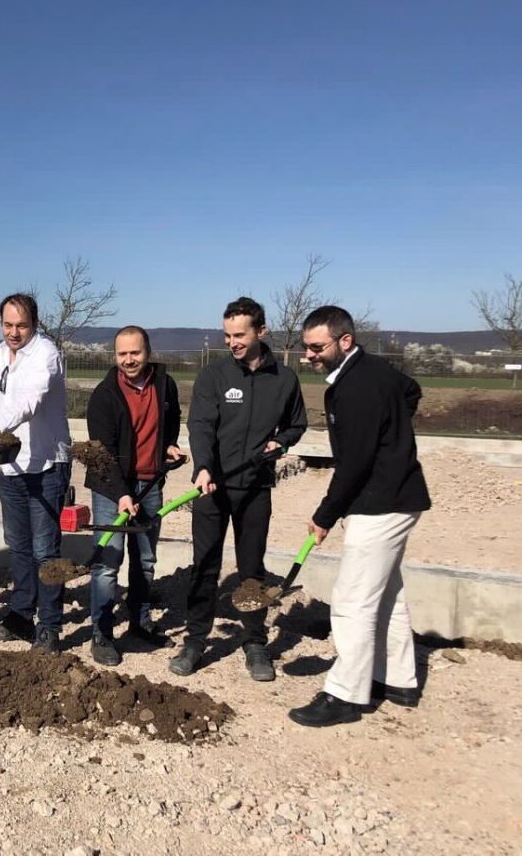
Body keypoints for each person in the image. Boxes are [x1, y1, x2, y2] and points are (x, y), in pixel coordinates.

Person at [289, 306, 431, 726]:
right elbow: (411, 390)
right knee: (387, 591)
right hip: (401, 496)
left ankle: (346, 694)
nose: (309, 355)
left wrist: (324, 515)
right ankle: (399, 679)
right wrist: (396, 437)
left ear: (344, 341)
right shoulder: (374, 371)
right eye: (306, 347)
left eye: (317, 347)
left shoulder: (356, 389)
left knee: (352, 600)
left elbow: (353, 464)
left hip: (381, 503)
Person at [171, 297, 307, 681]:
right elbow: (201, 426)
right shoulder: (213, 377)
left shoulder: (284, 380)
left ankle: (255, 643)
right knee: (205, 565)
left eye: (240, 334)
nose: (232, 341)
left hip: (256, 489)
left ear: (261, 332)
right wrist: (202, 467)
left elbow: (297, 426)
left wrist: (280, 443)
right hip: (212, 489)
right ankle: (196, 640)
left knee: (252, 569)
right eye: (227, 335)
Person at [0, 293, 72, 654]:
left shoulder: (46, 353)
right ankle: (19, 618)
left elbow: (30, 401)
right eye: (8, 325)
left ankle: (50, 627)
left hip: (47, 462)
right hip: (12, 463)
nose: (14, 333)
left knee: (46, 550)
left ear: (35, 323)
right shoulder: (0, 353)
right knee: (18, 547)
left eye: (22, 325)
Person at [83, 325, 183, 665]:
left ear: (148, 352)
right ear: (115, 356)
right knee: (107, 564)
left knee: (146, 560)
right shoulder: (104, 395)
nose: (129, 360)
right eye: (122, 354)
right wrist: (123, 494)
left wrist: (168, 445)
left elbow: (172, 420)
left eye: (135, 353)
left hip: (150, 485)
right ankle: (102, 633)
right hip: (112, 487)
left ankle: (140, 625)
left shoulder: (164, 384)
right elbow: (101, 454)